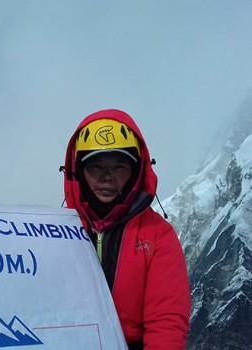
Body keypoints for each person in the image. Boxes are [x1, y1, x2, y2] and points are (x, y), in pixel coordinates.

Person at [62, 109, 191, 349]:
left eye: (119, 167)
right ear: (77, 171)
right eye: (95, 167)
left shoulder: (158, 235)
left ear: (136, 171)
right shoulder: (56, 231)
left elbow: (166, 322)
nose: (107, 178)